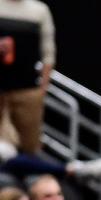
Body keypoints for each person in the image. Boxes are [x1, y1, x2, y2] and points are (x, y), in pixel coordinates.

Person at [0, 0, 55, 154]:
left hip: (27, 89)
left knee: (30, 145)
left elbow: (48, 53)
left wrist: (42, 88)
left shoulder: (39, 10)